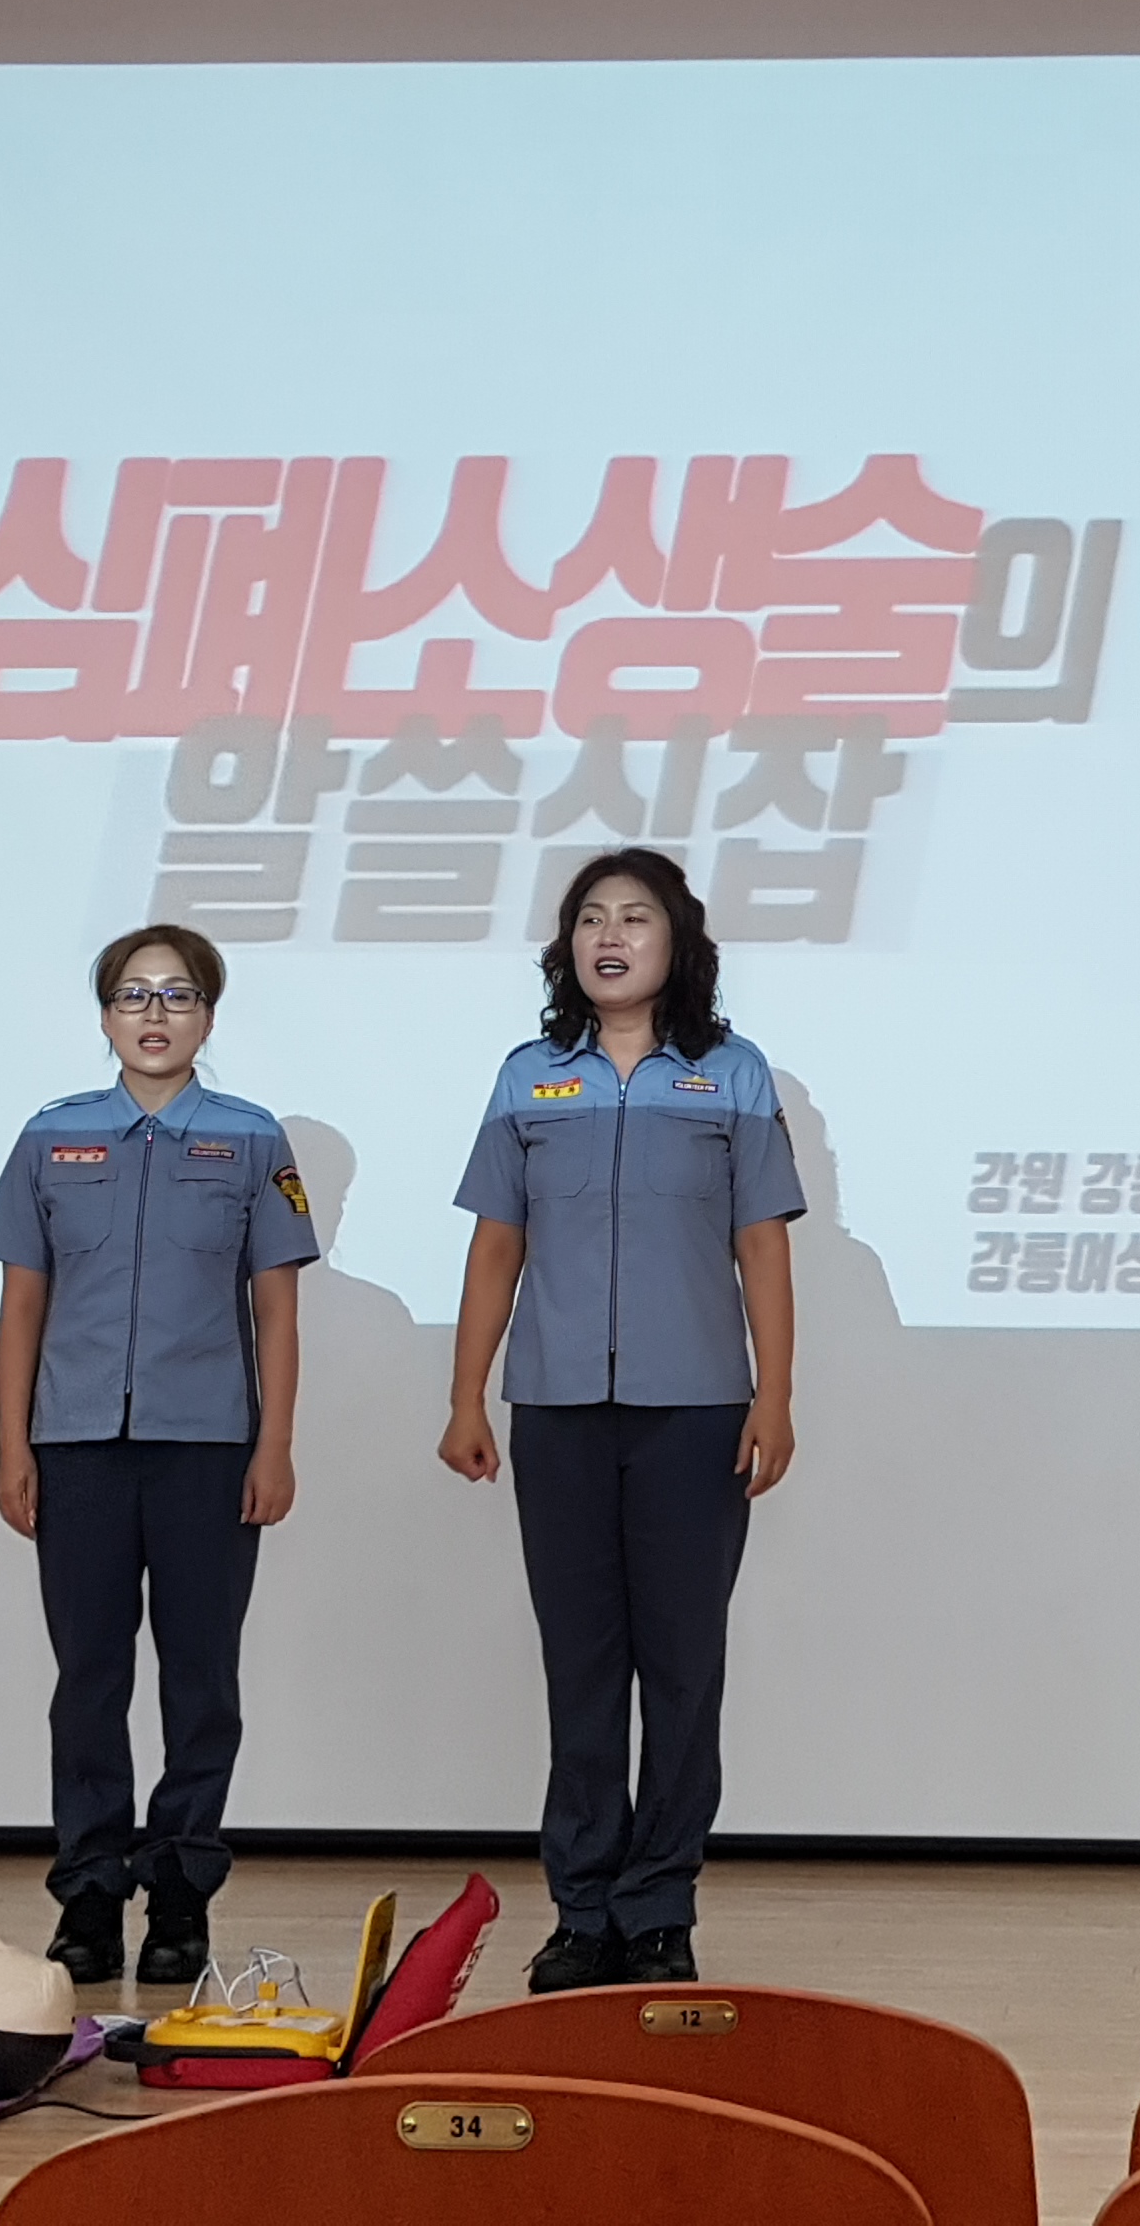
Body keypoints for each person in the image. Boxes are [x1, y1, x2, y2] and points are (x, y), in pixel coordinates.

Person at [440, 847, 802, 1990]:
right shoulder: (529, 1077)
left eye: (635, 917)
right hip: (556, 1408)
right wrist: (465, 1394)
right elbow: (496, 1245)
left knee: (683, 1667)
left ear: (676, 942)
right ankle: (584, 1908)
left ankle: (660, 1908)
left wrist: (775, 1394)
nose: (610, 935)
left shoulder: (733, 1074)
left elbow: (761, 1245)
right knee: (582, 1666)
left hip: (697, 1410)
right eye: (591, 918)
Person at [0, 922, 317, 1987]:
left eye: (177, 995)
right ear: (105, 1015)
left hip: (208, 1450)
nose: (154, 1014)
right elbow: (21, 1306)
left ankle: (179, 1893)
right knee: (89, 1677)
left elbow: (277, 1312)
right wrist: (13, 1443)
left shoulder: (251, 1141)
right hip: (76, 1446)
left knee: (200, 1680)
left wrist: (274, 1445)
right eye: (133, 995)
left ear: (208, 1016)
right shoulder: (52, 1138)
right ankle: (87, 1895)